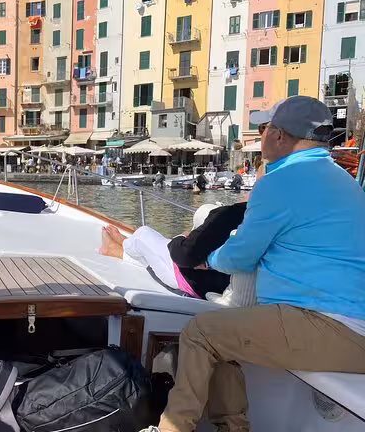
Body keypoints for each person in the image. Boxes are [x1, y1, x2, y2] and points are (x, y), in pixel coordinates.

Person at [140, 96, 365, 432]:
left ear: (278, 135)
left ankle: (173, 429)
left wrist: (208, 260)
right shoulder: (342, 181)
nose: (261, 136)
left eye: (264, 127)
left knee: (201, 333)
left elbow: (240, 256)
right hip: (346, 328)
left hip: (329, 325)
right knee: (224, 335)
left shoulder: (282, 181)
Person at [99, 202, 240, 300]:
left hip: (185, 277)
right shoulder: (254, 230)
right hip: (206, 283)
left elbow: (183, 255)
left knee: (143, 233)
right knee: (155, 248)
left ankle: (123, 244)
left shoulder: (230, 215)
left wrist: (181, 236)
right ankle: (119, 249)